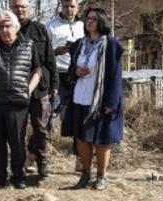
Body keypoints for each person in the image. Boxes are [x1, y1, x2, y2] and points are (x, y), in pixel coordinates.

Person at [0, 11, 43, 189]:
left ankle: (19, 177)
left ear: (16, 27)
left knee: (17, 142)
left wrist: (28, 89)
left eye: (8, 26)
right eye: (2, 27)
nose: (4, 30)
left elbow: (38, 70)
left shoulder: (29, 45)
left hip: (18, 103)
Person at [61, 7, 124, 191]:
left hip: (101, 101)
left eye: (94, 19)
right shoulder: (80, 44)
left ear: (102, 22)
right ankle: (85, 175)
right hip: (80, 97)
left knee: (102, 140)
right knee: (82, 138)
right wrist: (76, 71)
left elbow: (115, 76)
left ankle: (101, 177)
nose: (89, 21)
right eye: (88, 18)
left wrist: (111, 103)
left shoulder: (111, 45)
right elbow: (71, 69)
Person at [11, 0, 58, 179]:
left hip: (40, 88)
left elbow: (50, 57)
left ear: (28, 9)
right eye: (16, 7)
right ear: (11, 8)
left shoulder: (40, 29)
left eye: (23, 6)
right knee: (18, 130)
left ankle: (42, 161)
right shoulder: (7, 30)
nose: (20, 10)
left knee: (41, 127)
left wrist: (55, 83)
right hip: (15, 89)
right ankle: (20, 165)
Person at [46, 0, 84, 170]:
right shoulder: (50, 26)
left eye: (72, 6)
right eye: (66, 6)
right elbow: (42, 53)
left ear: (78, 7)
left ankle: (80, 158)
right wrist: (56, 51)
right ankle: (38, 156)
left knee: (79, 117)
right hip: (58, 76)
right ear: (61, 6)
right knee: (47, 114)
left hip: (79, 77)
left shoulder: (85, 26)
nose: (69, 10)